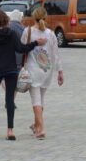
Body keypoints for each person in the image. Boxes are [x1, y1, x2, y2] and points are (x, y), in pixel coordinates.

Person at [0, 9, 45, 141]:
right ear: (5, 19)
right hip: (11, 69)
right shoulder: (11, 33)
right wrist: (35, 43)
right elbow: (21, 48)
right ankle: (10, 130)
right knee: (10, 99)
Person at [22, 7, 63, 139]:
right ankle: (36, 125)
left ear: (33, 17)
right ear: (45, 17)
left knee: (36, 100)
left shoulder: (27, 31)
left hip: (32, 69)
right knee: (41, 100)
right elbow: (56, 54)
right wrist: (60, 71)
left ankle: (41, 128)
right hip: (47, 71)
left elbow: (22, 48)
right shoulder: (50, 34)